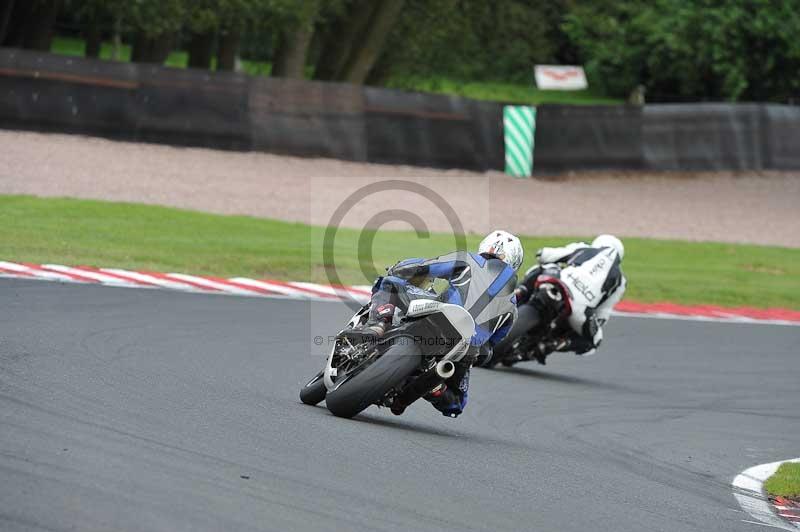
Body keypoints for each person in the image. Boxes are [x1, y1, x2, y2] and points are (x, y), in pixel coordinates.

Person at [355, 230, 523, 417]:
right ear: (515, 262)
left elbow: (425, 266)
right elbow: (490, 348)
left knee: (389, 283)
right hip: (466, 347)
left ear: (484, 246)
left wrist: (399, 268)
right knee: (455, 404)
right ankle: (434, 387)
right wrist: (477, 352)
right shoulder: (513, 305)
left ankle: (378, 324)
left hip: (443, 313)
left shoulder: (469, 260)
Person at [512, 234, 626, 364]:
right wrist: (592, 324)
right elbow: (603, 313)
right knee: (596, 340)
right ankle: (559, 343)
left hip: (561, 284)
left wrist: (541, 253)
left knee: (545, 267)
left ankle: (518, 292)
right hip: (580, 311)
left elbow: (546, 255)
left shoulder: (584, 248)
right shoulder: (621, 282)